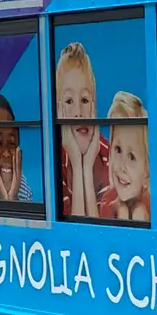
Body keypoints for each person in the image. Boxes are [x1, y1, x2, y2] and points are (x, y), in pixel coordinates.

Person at [56, 41, 110, 219]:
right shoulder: (54, 160)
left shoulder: (111, 157)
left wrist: (86, 166)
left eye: (85, 100)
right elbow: (75, 238)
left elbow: (98, 236)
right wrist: (78, 167)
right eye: (69, 101)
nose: (78, 113)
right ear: (58, 110)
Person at [104, 92, 150, 223]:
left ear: (147, 172)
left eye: (132, 157)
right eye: (118, 149)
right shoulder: (108, 201)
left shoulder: (154, 207)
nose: (121, 166)